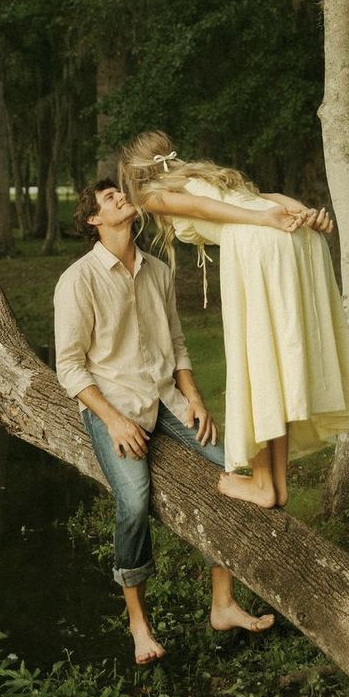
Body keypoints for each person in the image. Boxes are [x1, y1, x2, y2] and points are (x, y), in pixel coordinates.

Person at [54, 178, 274, 665]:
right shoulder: (78, 280)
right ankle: (138, 622)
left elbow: (176, 344)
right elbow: (69, 367)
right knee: (133, 504)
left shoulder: (158, 270)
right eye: (109, 198)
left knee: (237, 467)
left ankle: (222, 603)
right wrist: (111, 420)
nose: (120, 198)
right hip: (115, 403)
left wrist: (194, 398)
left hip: (166, 398)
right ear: (93, 220)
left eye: (119, 193)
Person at [118, 130, 349, 509]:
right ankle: (276, 485)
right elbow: (270, 198)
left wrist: (263, 219)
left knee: (260, 367)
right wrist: (300, 212)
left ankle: (263, 483)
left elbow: (206, 211)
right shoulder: (205, 176)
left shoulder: (154, 194)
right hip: (288, 244)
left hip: (257, 246)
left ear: (135, 173)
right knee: (277, 367)